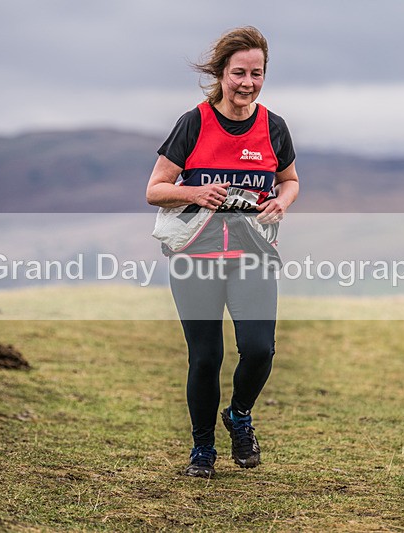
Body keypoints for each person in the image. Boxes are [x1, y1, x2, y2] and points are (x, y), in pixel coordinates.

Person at [146, 26, 299, 478]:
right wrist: (194, 192)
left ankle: (239, 414)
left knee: (259, 350)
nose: (247, 82)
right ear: (220, 73)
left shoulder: (274, 127)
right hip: (196, 257)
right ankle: (202, 450)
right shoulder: (193, 122)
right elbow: (155, 190)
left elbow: (289, 181)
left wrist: (281, 201)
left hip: (252, 256)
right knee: (206, 357)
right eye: (238, 73)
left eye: (256, 73)